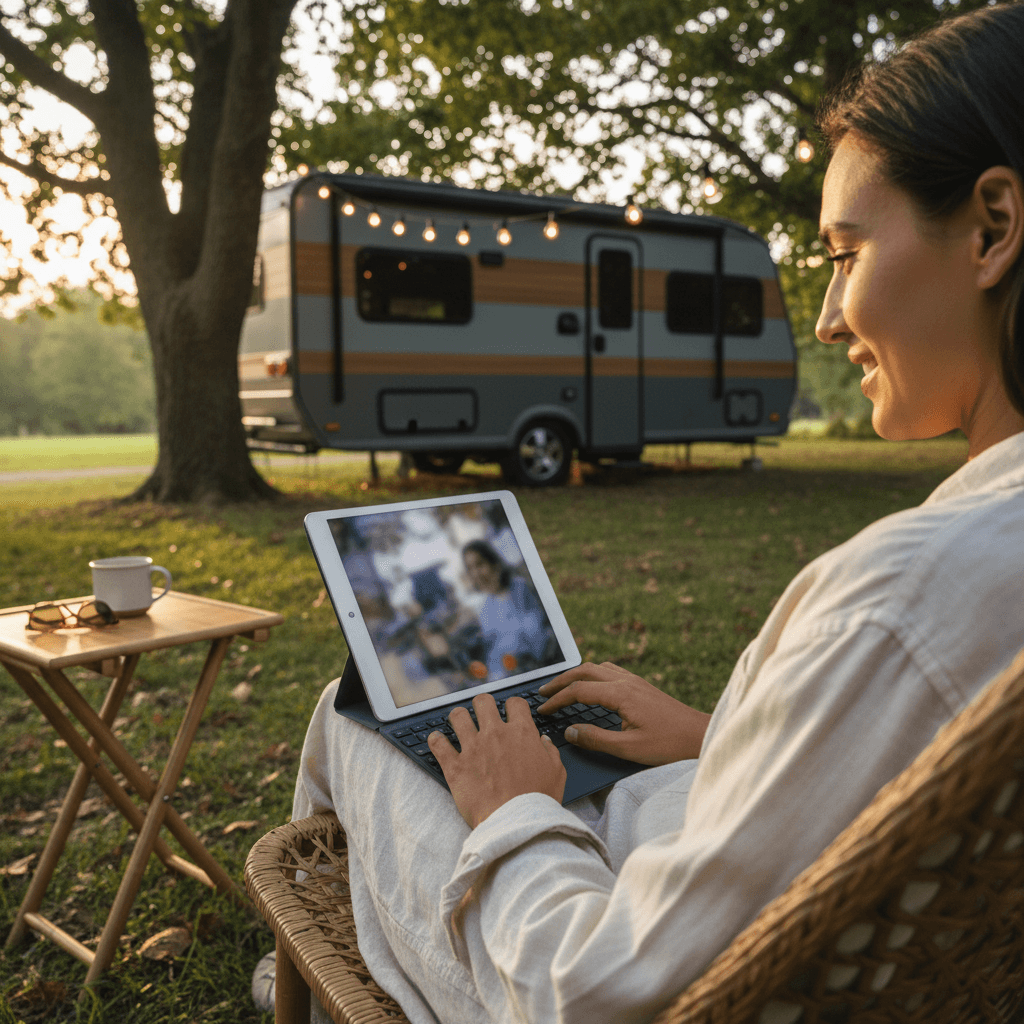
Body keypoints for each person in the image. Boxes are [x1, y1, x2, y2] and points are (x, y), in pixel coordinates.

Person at [253, 5, 1024, 1021]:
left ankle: (299, 976)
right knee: (475, 714)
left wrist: (517, 807)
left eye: (843, 253)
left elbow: (596, 994)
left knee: (365, 710)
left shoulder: (901, 600)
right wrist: (723, 734)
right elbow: (887, 792)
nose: (830, 317)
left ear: (992, 228)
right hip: (762, 895)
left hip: (565, 970)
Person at [462, 540, 554, 680]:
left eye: (480, 564)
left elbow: (538, 637)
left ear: (495, 564)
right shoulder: (486, 609)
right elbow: (494, 656)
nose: (476, 574)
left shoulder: (521, 588)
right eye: (470, 568)